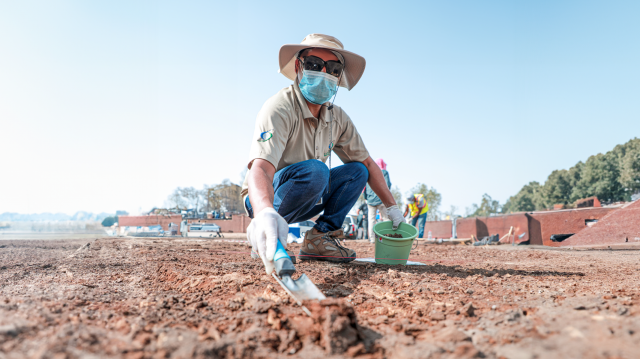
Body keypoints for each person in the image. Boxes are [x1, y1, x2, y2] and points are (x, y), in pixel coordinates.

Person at [242, 34, 404, 274]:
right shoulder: (280, 107)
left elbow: (368, 163)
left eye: (333, 69)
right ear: (299, 66)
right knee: (317, 170)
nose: (324, 73)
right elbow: (261, 168)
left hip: (310, 192)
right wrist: (264, 212)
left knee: (356, 171)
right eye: (315, 65)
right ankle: (269, 232)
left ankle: (320, 239)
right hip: (268, 198)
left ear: (338, 78)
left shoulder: (337, 118)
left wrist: (392, 208)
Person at [363, 158, 392, 242]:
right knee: (386, 218)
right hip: (381, 199)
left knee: (371, 220)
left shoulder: (369, 172)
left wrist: (365, 197)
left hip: (370, 200)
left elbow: (364, 187)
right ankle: (387, 237)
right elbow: (388, 185)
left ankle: (372, 239)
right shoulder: (384, 172)